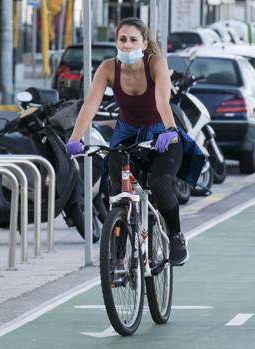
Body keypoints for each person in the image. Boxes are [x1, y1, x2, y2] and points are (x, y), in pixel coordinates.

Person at [65, 18, 203, 266]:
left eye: (133, 40)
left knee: (161, 185)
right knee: (116, 190)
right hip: (126, 134)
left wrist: (170, 130)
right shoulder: (108, 68)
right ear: (116, 42)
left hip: (161, 133)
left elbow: (162, 101)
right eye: (122, 40)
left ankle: (176, 236)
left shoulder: (156, 64)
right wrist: (75, 138)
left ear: (144, 42)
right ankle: (118, 251)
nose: (127, 46)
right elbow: (90, 105)